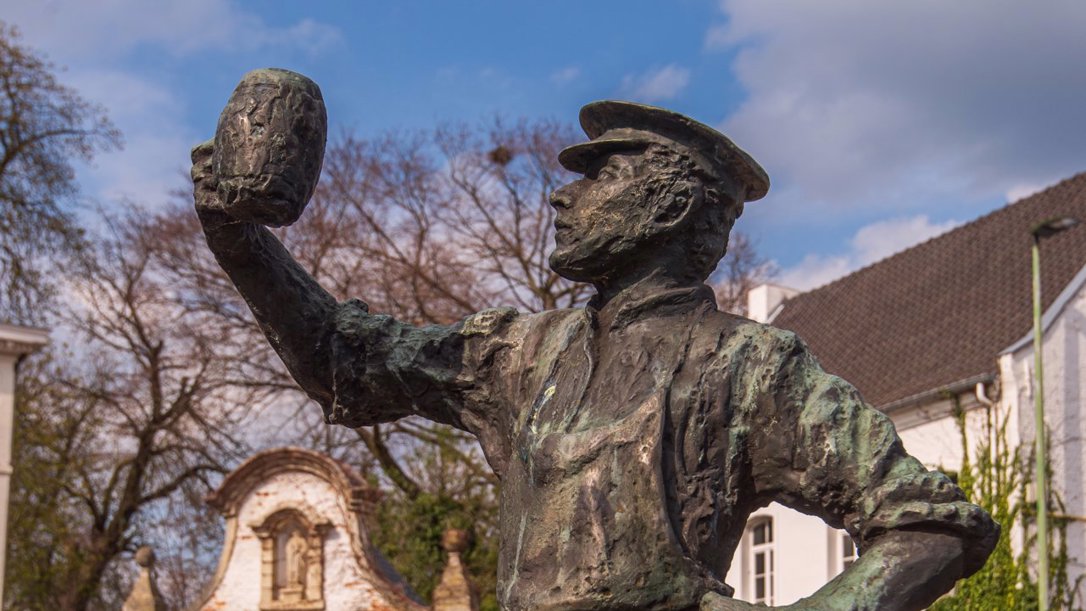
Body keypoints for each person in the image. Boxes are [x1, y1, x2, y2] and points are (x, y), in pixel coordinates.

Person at [193, 100, 997, 610]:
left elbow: (932, 524)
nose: (561, 195)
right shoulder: (518, 353)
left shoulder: (753, 367)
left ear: (673, 203)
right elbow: (344, 358)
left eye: (599, 175)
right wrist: (238, 239)